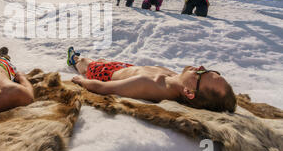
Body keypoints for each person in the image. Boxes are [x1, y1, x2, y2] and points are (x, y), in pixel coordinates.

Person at [66, 47, 236, 113]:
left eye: (202, 75)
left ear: (188, 92)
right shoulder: (177, 80)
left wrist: (81, 81)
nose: (200, 67)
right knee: (102, 60)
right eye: (208, 71)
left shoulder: (150, 85)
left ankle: (74, 59)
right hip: (125, 67)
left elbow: (103, 88)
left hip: (106, 74)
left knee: (86, 64)